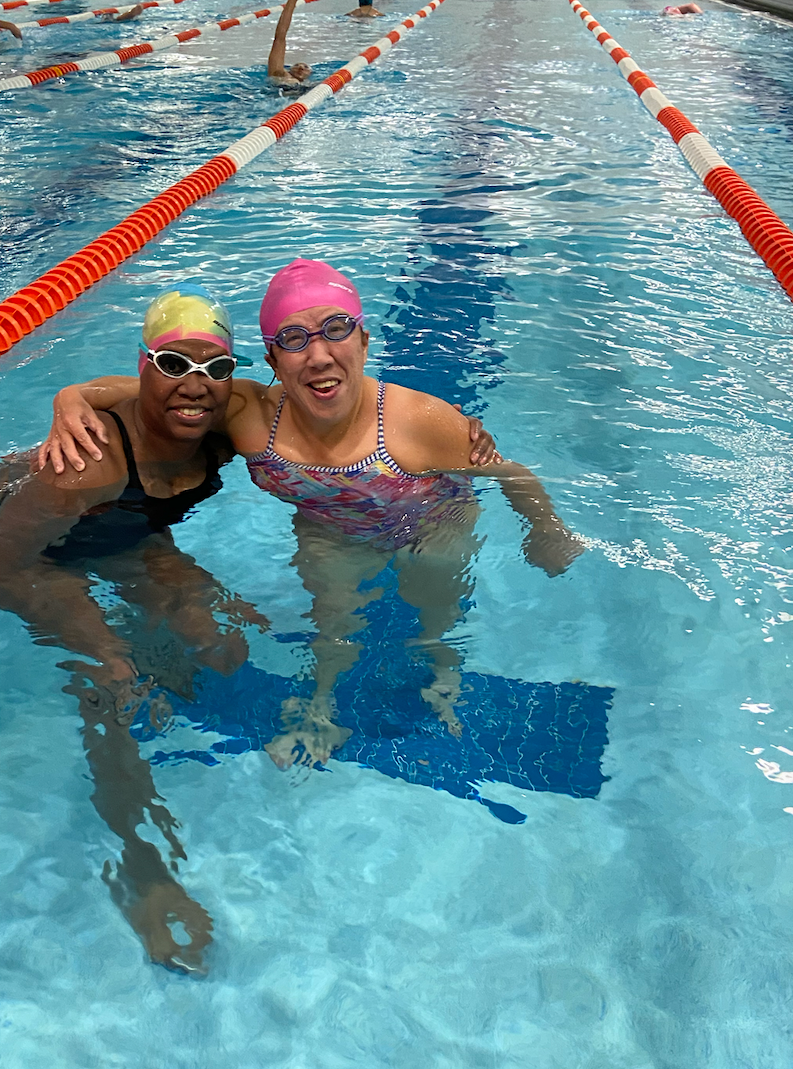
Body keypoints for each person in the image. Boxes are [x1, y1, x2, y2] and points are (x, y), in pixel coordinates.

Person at [44, 260, 583, 766]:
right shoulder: (251, 416)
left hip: (430, 526)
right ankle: (321, 707)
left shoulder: (416, 422)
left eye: (336, 329)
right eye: (295, 340)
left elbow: (512, 473)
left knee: (433, 607)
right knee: (332, 623)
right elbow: (145, 393)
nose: (319, 355)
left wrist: (546, 529)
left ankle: (444, 670)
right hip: (331, 528)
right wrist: (71, 397)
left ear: (365, 342)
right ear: (274, 361)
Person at [0, 286, 263, 976]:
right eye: (173, 363)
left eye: (215, 367)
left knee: (221, 648)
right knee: (116, 682)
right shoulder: (88, 463)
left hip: (118, 527)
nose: (195, 385)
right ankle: (143, 867)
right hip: (10, 536)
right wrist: (96, 642)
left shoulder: (225, 414)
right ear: (144, 366)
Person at [267, 0, 313, 88]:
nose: (301, 67)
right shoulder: (279, 74)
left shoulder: (312, 87)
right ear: (289, 69)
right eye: (297, 65)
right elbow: (280, 38)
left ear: (310, 75)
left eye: (306, 67)